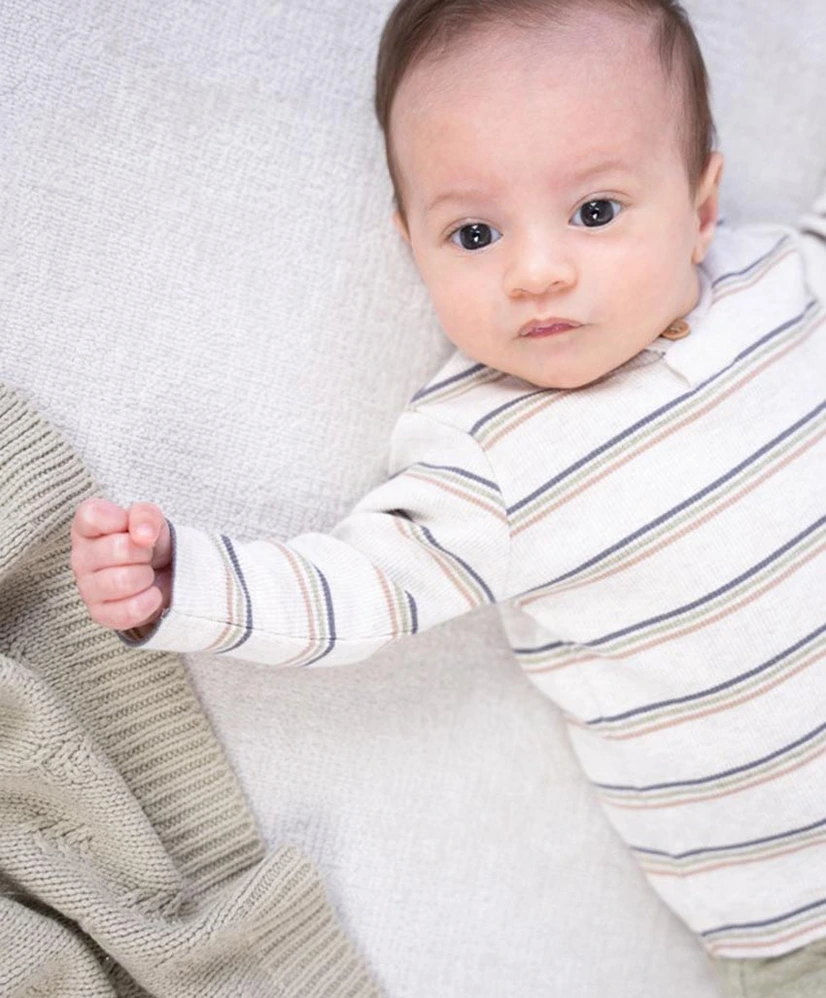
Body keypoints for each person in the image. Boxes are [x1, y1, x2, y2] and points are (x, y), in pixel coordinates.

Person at [71, 0, 826, 993]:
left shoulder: (792, 277)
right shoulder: (483, 450)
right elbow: (358, 586)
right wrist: (191, 578)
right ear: (410, 243)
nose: (536, 271)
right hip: (784, 914)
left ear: (699, 206)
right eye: (472, 232)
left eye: (595, 210)